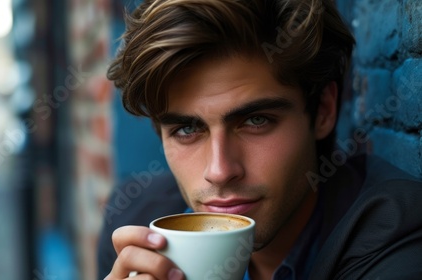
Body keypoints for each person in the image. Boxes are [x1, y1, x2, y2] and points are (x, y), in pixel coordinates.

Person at [100, 0, 422, 279]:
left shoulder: (394, 239)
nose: (220, 170)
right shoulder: (134, 230)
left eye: (256, 121)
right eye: (186, 130)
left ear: (324, 110)